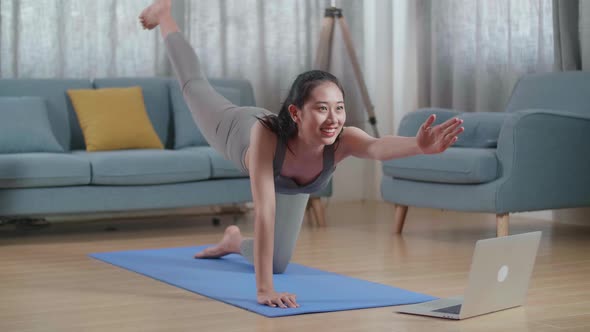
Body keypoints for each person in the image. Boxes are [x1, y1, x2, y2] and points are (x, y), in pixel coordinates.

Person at [139, 0, 464, 310]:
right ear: (296, 113)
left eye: (339, 108)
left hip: (290, 179)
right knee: (195, 86)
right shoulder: (265, 137)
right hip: (233, 129)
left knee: (278, 263)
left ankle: (234, 241)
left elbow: (377, 147)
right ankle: (165, 15)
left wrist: (419, 146)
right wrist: (263, 289)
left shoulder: (343, 139)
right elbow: (265, 212)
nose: (334, 118)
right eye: (322, 109)